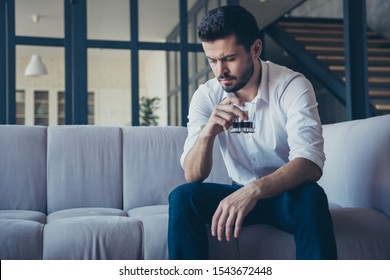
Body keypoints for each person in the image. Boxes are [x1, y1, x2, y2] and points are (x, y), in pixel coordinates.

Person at [168, 5, 337, 260]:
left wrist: (254, 190)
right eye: (212, 60)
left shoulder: (292, 86)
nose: (220, 70)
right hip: (238, 192)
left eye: (229, 58)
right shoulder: (206, 96)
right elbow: (193, 174)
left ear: (256, 49)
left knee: (311, 196)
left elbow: (310, 163)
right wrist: (207, 134)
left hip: (285, 196)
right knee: (182, 198)